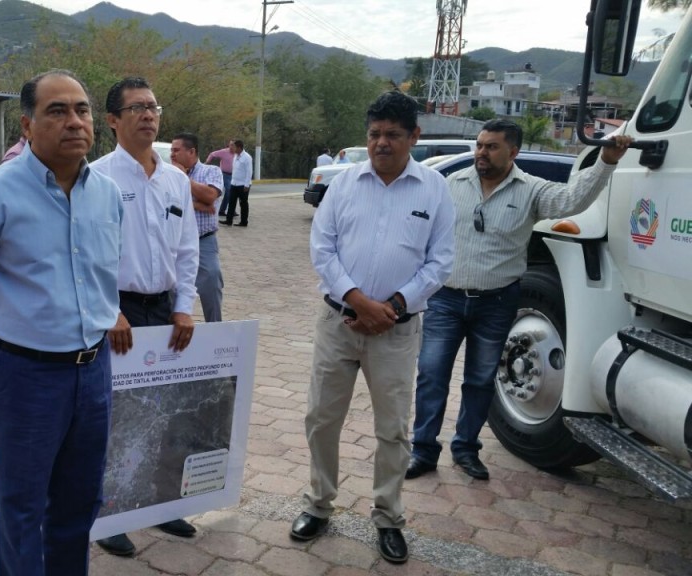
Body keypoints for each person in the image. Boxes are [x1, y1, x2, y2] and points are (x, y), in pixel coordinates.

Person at [0, 69, 123, 576]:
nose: (74, 121)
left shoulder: (106, 194)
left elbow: (104, 277)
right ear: (27, 125)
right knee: (21, 508)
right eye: (57, 111)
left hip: (94, 372)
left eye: (82, 110)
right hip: (25, 375)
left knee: (81, 502)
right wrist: (4, 337)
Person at [407, 119, 633, 482]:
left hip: (496, 304)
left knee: (480, 380)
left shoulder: (531, 190)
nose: (481, 152)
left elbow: (572, 199)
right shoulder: (452, 184)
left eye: (491, 146)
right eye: (479, 145)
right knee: (432, 375)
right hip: (446, 300)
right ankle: (422, 450)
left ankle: (465, 448)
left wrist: (606, 160)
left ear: (513, 152)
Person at [289, 91, 455, 565]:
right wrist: (359, 300)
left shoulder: (434, 189)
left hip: (397, 330)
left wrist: (395, 306)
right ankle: (319, 505)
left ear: (414, 138)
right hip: (339, 321)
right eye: (375, 134)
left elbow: (441, 262)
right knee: (321, 417)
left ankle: (388, 516)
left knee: (392, 430)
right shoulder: (344, 184)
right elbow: (322, 247)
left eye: (393, 135)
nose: (382, 143)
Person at [91, 76, 199, 558]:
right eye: (135, 108)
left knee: (162, 407)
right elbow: (86, 254)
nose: (147, 115)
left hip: (163, 309)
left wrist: (183, 306)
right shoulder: (97, 178)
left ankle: (158, 505)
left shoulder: (175, 178)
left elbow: (188, 250)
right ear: (113, 120)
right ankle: (107, 513)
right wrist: (108, 309)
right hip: (117, 313)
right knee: (114, 415)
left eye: (152, 106)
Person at [171, 132, 224, 322]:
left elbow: (210, 196)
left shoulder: (211, 172)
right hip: (175, 243)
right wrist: (198, 204)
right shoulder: (168, 174)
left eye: (176, 150)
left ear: (191, 151)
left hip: (204, 242)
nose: (172, 155)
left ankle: (215, 332)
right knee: (172, 291)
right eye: (171, 150)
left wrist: (184, 178)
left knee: (212, 284)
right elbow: (168, 204)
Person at [220, 139, 252, 227]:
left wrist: (246, 185)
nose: (232, 148)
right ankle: (229, 220)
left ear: (239, 147)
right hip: (234, 183)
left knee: (243, 203)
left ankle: (244, 222)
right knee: (231, 202)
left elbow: (249, 172)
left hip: (243, 185)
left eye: (234, 147)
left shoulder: (247, 157)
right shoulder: (235, 156)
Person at [206, 139, 235, 217]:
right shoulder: (224, 152)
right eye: (230, 145)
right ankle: (222, 210)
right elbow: (212, 154)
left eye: (233, 145)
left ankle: (232, 209)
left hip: (235, 175)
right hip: (225, 174)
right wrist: (208, 162)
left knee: (234, 192)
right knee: (228, 190)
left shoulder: (239, 154)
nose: (231, 147)